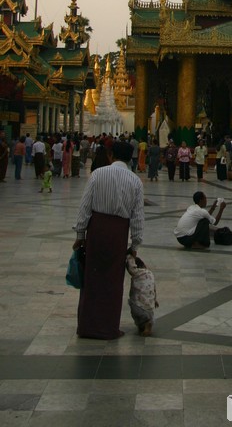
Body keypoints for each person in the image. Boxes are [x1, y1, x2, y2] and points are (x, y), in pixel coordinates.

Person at [72, 140, 145, 339]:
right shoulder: (135, 181)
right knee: (113, 281)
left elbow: (85, 207)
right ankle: (109, 327)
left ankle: (88, 327)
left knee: (92, 279)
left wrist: (80, 235)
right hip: (118, 234)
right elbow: (137, 216)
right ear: (130, 158)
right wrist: (135, 244)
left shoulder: (97, 174)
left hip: (97, 231)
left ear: (111, 155)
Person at [125, 252, 158, 336]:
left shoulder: (136, 273)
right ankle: (147, 324)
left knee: (135, 313)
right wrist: (155, 300)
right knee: (148, 316)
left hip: (138, 304)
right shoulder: (150, 274)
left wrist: (129, 256)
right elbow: (154, 288)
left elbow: (131, 267)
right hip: (150, 305)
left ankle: (145, 324)